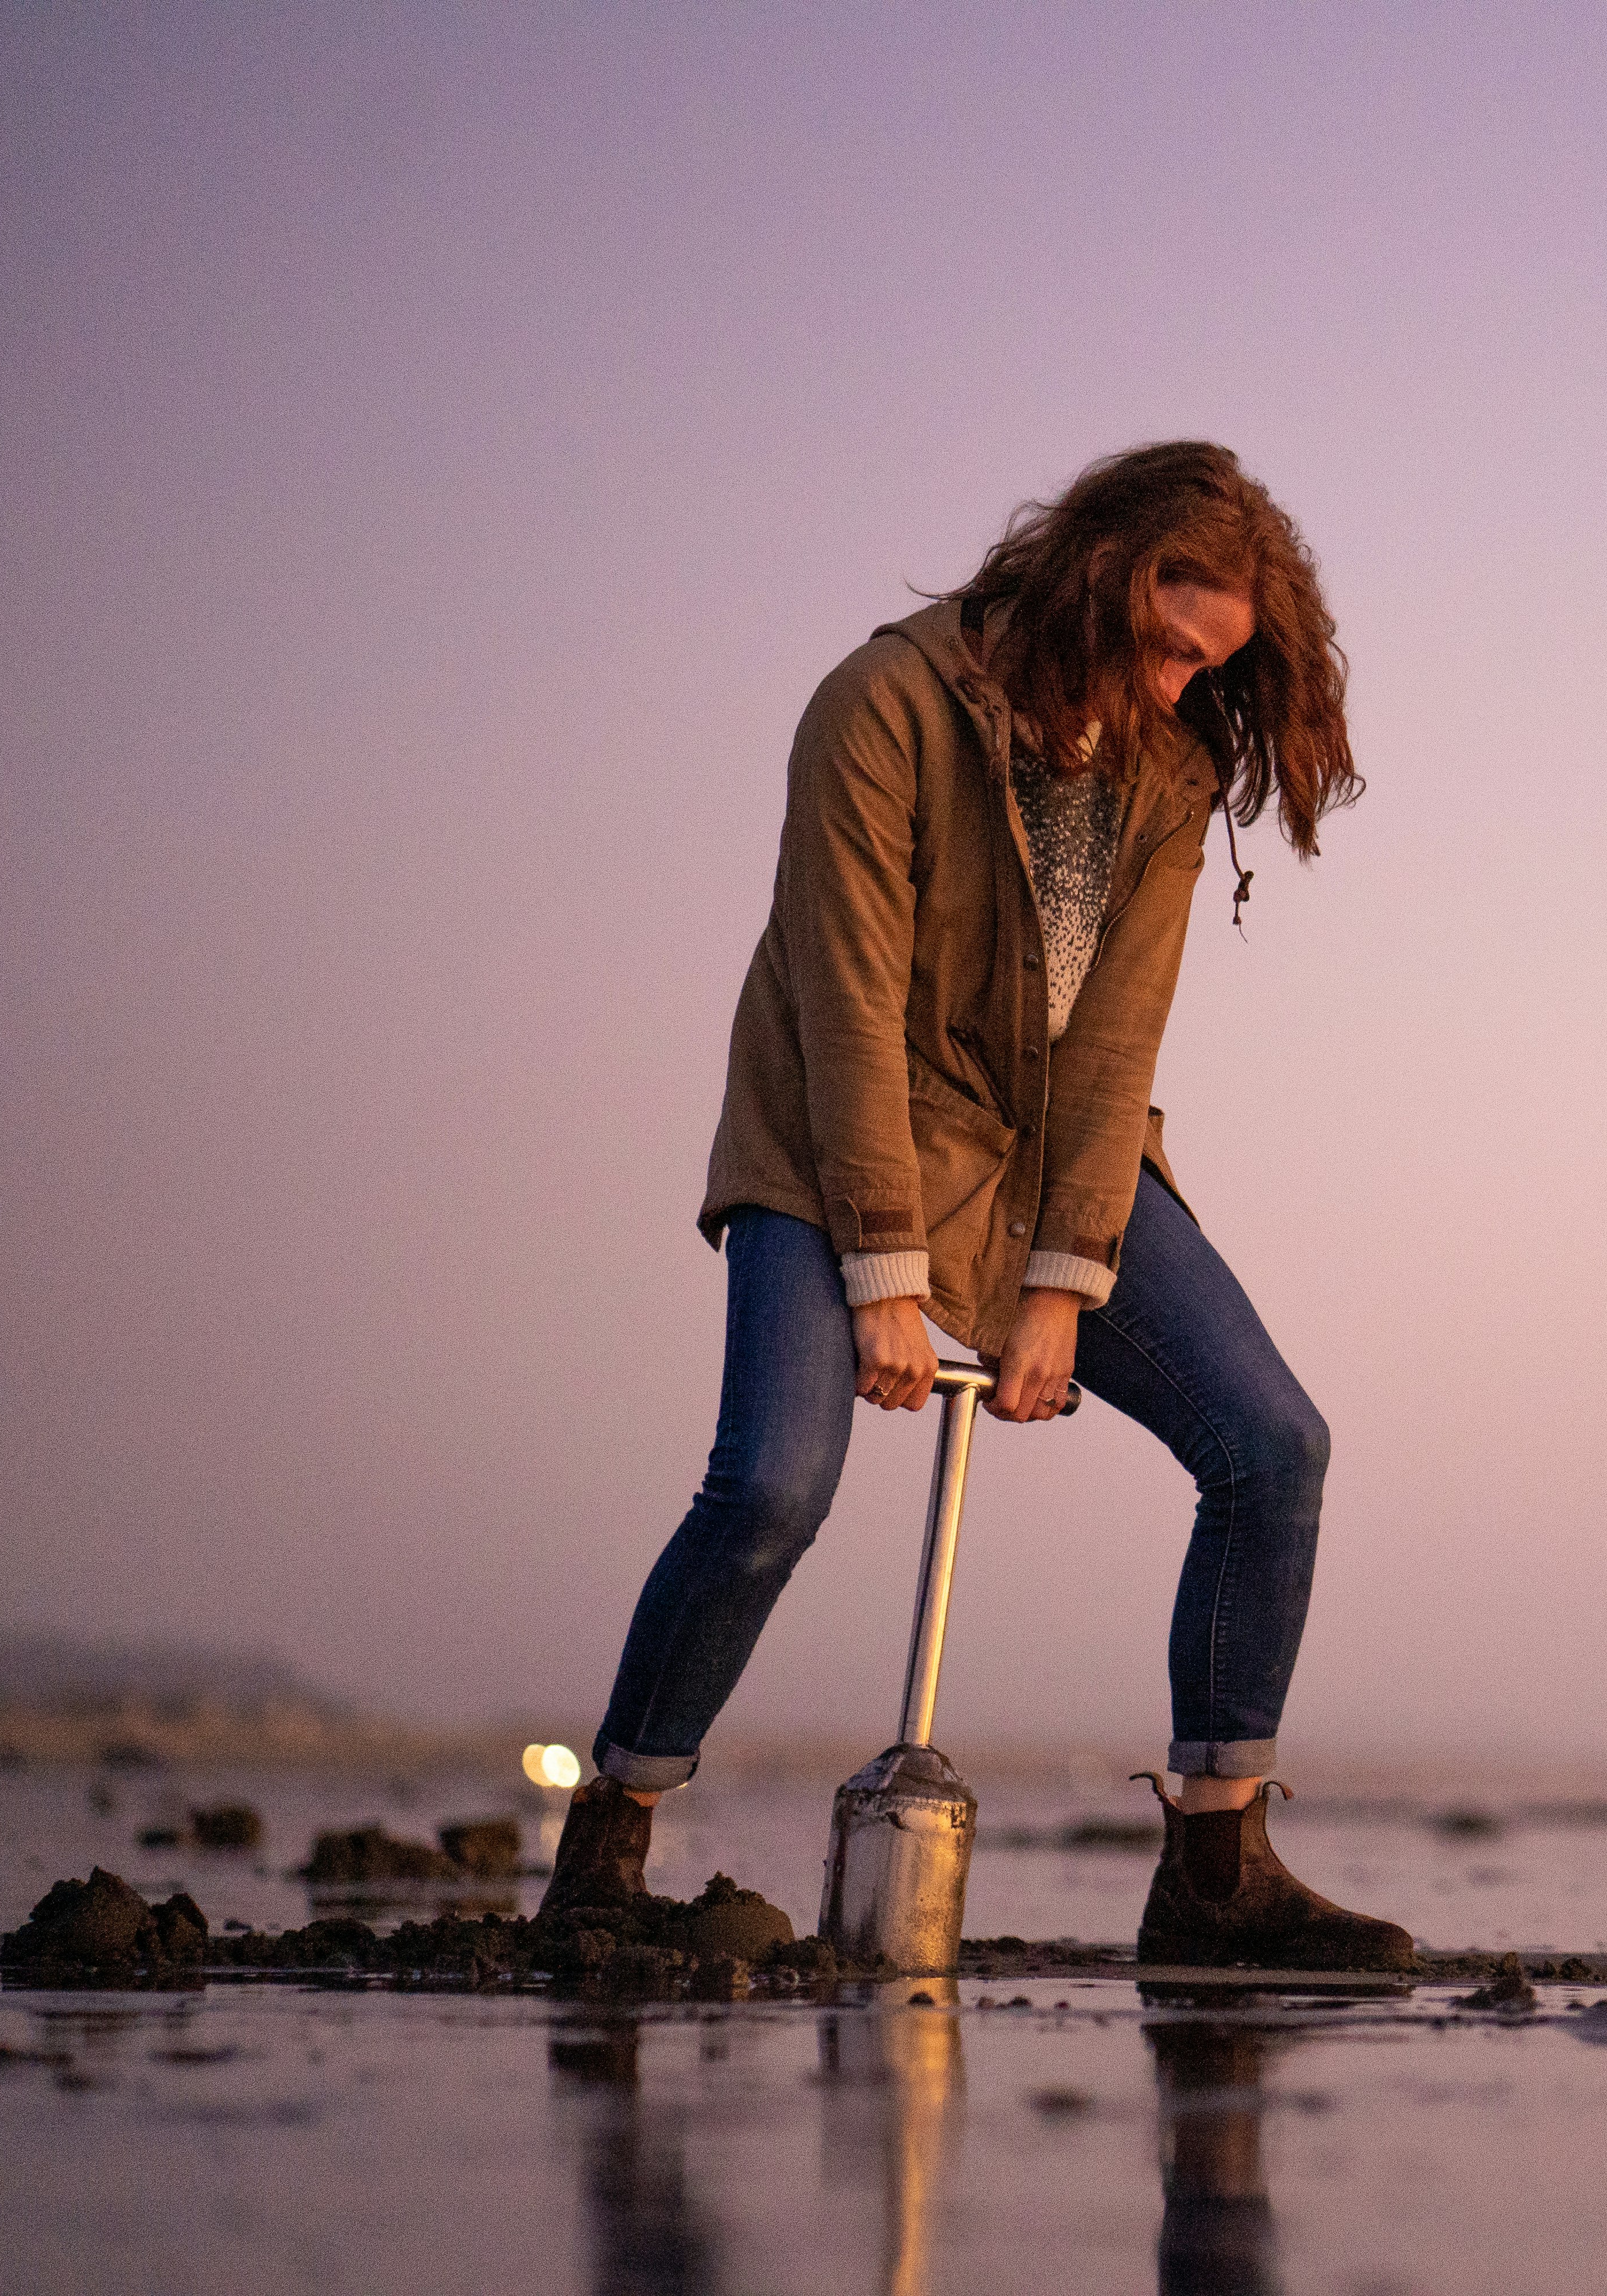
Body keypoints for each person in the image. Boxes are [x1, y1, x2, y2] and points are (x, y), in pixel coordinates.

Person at [540, 441, 1415, 1971]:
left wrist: (1066, 1282)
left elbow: (1115, 1048)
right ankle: (610, 1841)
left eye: (1211, 668)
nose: (1175, 686)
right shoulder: (881, 707)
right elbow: (845, 1004)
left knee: (1275, 1447)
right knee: (769, 1490)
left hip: (1044, 1169)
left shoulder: (1171, 768)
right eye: (1165, 645)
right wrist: (882, 1271)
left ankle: (1218, 1873)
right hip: (830, 1140)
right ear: (1102, 569)